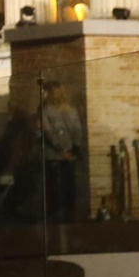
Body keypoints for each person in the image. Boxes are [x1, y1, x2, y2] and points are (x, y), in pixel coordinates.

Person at [40, 81, 85, 222]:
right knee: (69, 186)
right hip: (70, 155)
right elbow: (78, 131)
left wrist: (60, 150)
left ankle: (54, 217)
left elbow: (48, 133)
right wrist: (73, 150)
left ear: (50, 93)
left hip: (53, 155)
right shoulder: (71, 110)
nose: (42, 94)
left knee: (52, 188)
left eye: (44, 91)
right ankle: (69, 216)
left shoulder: (45, 111)